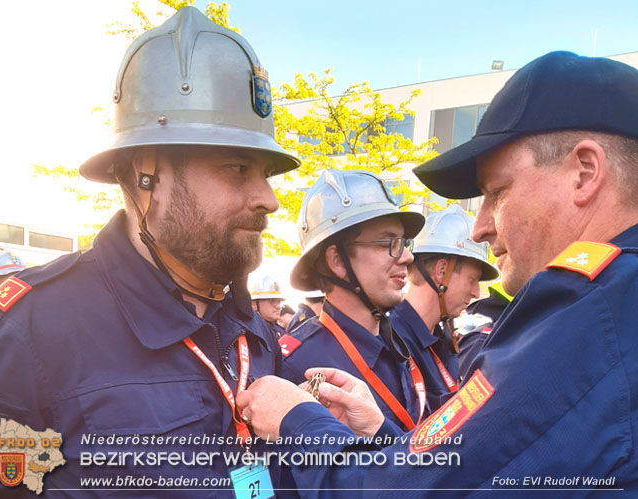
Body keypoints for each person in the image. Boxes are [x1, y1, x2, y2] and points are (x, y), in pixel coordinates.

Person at [237, 51, 638, 495]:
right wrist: (383, 438)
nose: (482, 225)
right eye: (387, 244)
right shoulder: (610, 304)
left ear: (585, 173)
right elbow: (465, 475)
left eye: (497, 192)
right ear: (336, 261)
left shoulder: (591, 314)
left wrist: (297, 421)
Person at [0, 7, 300, 497]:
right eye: (236, 168)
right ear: (147, 172)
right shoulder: (31, 333)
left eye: (267, 175)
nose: (268, 199)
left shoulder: (253, 329)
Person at [278, 169, 428, 431]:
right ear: (338, 261)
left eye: (404, 243)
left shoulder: (397, 343)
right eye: (389, 243)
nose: (407, 257)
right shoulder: (299, 365)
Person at [389, 205, 498, 410]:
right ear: (441, 271)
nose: (476, 292)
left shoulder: (443, 340)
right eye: (472, 280)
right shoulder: (393, 343)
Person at [250, 273, 287, 337]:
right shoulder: (249, 333)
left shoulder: (281, 332)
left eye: (279, 301)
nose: (278, 307)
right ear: (254, 304)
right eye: (272, 300)